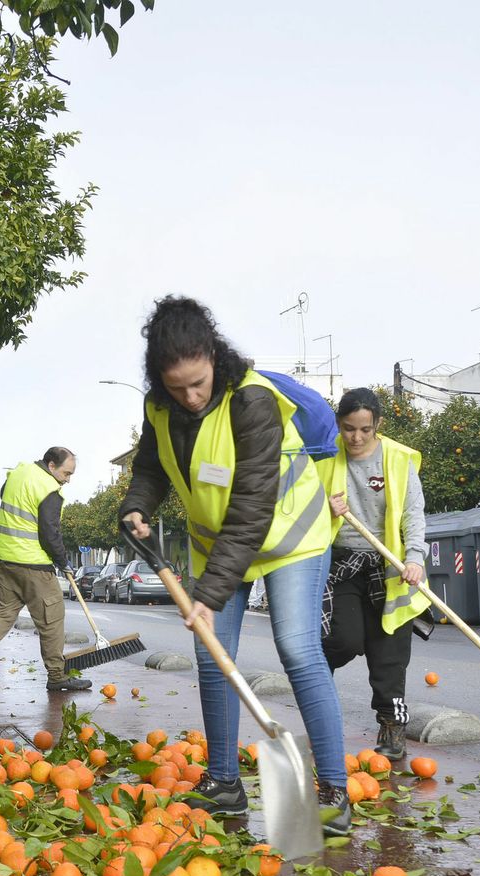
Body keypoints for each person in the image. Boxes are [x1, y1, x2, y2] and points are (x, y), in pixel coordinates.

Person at [116, 296, 350, 834]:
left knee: (297, 647)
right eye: (178, 388)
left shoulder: (252, 401)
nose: (191, 397)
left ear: (215, 359)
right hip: (216, 545)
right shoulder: (158, 407)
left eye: (198, 383)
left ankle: (335, 790)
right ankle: (223, 782)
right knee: (212, 654)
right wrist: (135, 505)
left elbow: (250, 507)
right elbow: (152, 468)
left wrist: (210, 593)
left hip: (289, 535)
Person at [318, 388, 430, 763]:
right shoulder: (323, 456)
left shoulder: (397, 459)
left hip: (391, 567)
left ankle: (391, 725)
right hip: (342, 565)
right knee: (342, 640)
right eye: (349, 428)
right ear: (339, 424)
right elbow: (297, 508)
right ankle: (315, 696)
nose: (356, 438)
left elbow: (414, 513)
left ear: (377, 425)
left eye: (365, 429)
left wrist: (414, 558)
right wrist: (324, 508)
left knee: (390, 652)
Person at [0, 448, 92, 695]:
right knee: (52, 617)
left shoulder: (18, 473)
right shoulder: (49, 489)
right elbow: (50, 532)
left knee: (2, 617)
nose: (68, 479)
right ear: (51, 465)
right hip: (33, 564)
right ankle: (57, 676)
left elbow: (4, 495)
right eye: (66, 473)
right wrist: (62, 560)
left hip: (5, 560)